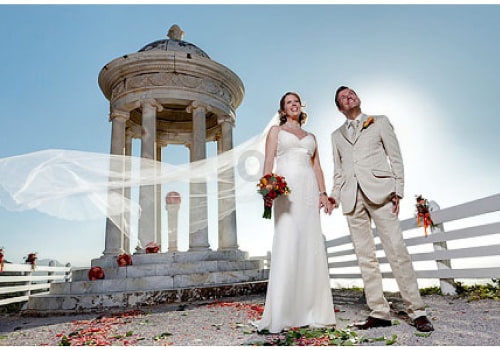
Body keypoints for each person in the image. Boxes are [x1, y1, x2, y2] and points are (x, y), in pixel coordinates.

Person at [327, 86, 434, 332]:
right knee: (365, 257)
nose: (349, 96)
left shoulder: (381, 122)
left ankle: (417, 311)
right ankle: (379, 311)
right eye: (343, 97)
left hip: (381, 193)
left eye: (351, 93)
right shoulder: (336, 135)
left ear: (358, 98)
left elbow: (395, 157)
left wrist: (398, 190)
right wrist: (334, 196)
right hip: (351, 198)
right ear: (339, 107)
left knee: (397, 250)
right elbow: (338, 170)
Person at [254, 92, 336, 333]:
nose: (294, 104)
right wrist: (267, 189)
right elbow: (269, 160)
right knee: (288, 241)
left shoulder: (312, 137)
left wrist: (323, 193)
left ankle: (313, 310)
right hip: (285, 192)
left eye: (297, 101)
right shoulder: (276, 132)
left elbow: (317, 167)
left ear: (301, 107)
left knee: (310, 243)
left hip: (309, 191)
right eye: (289, 102)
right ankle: (283, 312)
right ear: (282, 110)